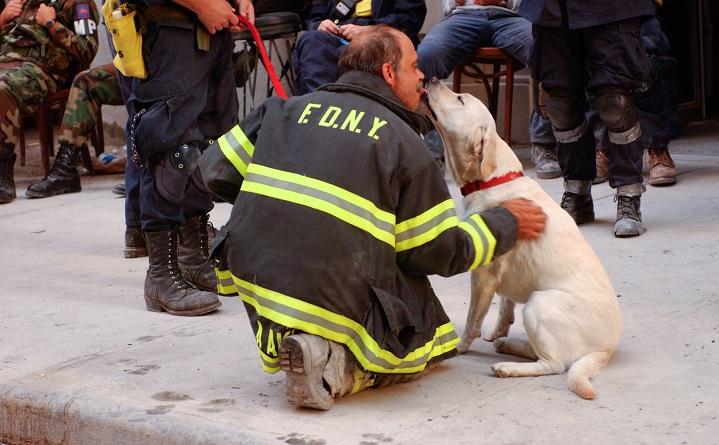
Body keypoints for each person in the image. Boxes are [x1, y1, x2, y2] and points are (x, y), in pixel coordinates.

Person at [200, 25, 547, 410]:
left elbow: (213, 171)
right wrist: (504, 223)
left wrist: (268, 207)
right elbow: (435, 252)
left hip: (255, 276)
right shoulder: (405, 145)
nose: (422, 76)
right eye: (414, 66)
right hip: (325, 286)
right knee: (426, 334)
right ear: (387, 72)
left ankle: (296, 339)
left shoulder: (281, 109)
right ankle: (336, 367)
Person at [118, 0, 254, 316]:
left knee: (210, 141)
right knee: (172, 146)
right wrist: (203, 4)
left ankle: (194, 258)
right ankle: (160, 276)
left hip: (214, 33)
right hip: (169, 28)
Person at [518, 0, 656, 237]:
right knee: (561, 105)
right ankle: (577, 192)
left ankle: (629, 195)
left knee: (615, 102)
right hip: (551, 8)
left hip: (611, 9)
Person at [417, 0, 560, 179]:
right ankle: (433, 145)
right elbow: (446, 6)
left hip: (511, 17)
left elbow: (532, 5)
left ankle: (544, 142)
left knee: (546, 51)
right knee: (425, 57)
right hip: (463, 16)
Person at [0, 0, 100, 204]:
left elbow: (87, 49)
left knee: (2, 88)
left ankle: (2, 176)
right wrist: (1, 20)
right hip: (5, 65)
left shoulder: (78, 4)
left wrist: (51, 23)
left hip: (41, 71)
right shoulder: (23, 3)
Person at [594, 15, 679, 186]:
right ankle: (602, 149)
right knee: (596, 68)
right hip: (588, 10)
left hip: (638, 8)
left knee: (649, 64)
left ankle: (658, 148)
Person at [25, 63, 123, 198]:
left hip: (158, 69)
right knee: (85, 81)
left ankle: (151, 172)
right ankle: (65, 168)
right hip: (134, 63)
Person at [291, 0, 426, 95]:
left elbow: (411, 18)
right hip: (334, 36)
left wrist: (369, 30)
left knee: (355, 52)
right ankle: (319, 105)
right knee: (311, 40)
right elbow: (313, 17)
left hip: (378, 37)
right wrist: (319, 24)